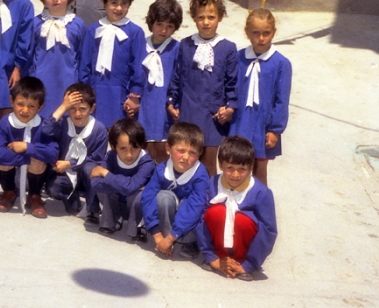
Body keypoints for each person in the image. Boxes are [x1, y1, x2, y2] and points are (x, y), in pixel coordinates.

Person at [167, 0, 238, 177]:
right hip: (188, 112)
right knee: (186, 161)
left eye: (211, 17)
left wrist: (230, 108)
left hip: (213, 117)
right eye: (201, 17)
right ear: (194, 18)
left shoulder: (228, 48)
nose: (206, 22)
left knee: (208, 164)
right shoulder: (186, 45)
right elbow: (177, 76)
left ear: (220, 17)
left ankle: (207, 204)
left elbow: (232, 83)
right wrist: (171, 102)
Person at [196, 135, 278, 281]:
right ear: (220, 165)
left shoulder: (261, 192)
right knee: (216, 212)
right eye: (230, 168)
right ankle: (219, 257)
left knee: (242, 220)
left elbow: (269, 230)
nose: (235, 174)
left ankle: (241, 263)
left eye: (242, 169)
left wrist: (248, 265)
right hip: (217, 250)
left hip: (245, 251)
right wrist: (211, 256)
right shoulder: (212, 184)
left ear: (251, 167)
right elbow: (200, 219)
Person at [230, 8, 292, 186]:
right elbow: (230, 88)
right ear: (247, 32)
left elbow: (282, 100)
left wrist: (275, 129)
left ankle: (259, 208)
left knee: (259, 169)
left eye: (266, 33)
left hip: (262, 125)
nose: (261, 38)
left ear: (274, 32)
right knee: (236, 167)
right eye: (256, 33)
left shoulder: (281, 64)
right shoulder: (239, 57)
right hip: (240, 122)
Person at [79, 0, 146, 128]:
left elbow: (138, 67)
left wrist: (134, 96)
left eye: (124, 3)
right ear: (104, 2)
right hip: (96, 94)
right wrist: (86, 95)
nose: (119, 8)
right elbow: (85, 65)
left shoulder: (135, 32)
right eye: (113, 3)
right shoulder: (92, 31)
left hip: (121, 96)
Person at [140, 122, 209, 260]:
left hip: (189, 218)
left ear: (200, 154)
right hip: (170, 214)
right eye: (181, 150)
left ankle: (190, 242)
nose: (185, 157)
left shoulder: (201, 176)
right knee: (162, 197)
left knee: (197, 209)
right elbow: (147, 197)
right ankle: (164, 239)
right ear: (168, 149)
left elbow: (194, 209)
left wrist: (172, 237)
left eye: (192, 153)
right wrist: (156, 234)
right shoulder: (161, 169)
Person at [0, 77, 58, 217]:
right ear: (11, 101)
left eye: (32, 106)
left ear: (41, 106)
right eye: (20, 104)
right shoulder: (4, 124)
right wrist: (31, 154)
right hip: (9, 172)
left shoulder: (43, 126)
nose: (25, 110)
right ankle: (9, 192)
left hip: (33, 175)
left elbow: (53, 154)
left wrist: (27, 148)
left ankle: (34, 195)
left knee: (38, 158)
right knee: (3, 160)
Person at [43, 83, 108, 223]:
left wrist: (70, 164)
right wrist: (62, 106)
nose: (77, 113)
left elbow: (97, 159)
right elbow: (46, 130)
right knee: (52, 187)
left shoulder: (99, 130)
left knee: (91, 169)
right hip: (66, 176)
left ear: (92, 108)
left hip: (86, 174)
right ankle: (74, 198)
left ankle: (93, 209)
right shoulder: (63, 124)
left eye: (83, 109)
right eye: (72, 108)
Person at [30, 0, 85, 117]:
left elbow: (81, 57)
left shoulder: (77, 24)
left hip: (67, 83)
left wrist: (80, 86)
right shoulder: (36, 23)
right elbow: (30, 55)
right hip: (41, 82)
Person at [90, 118, 155, 240]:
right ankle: (113, 220)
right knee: (107, 189)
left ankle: (139, 226)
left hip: (137, 208)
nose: (129, 154)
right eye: (123, 148)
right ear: (114, 146)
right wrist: (123, 185)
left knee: (137, 195)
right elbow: (95, 182)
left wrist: (105, 173)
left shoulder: (147, 162)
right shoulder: (111, 156)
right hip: (118, 203)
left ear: (141, 145)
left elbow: (129, 188)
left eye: (134, 148)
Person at [138, 0, 183, 164]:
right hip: (144, 106)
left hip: (164, 107)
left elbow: (179, 80)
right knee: (144, 151)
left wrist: (175, 104)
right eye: (159, 24)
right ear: (151, 22)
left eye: (169, 26)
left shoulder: (177, 48)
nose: (164, 30)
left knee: (164, 152)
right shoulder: (140, 45)